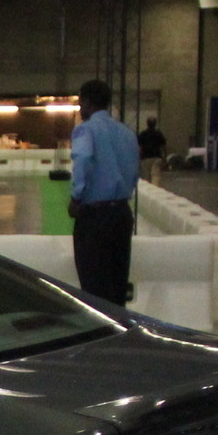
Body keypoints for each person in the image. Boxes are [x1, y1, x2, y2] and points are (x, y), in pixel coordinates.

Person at [68, 77, 141, 304]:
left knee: (94, 287)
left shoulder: (85, 131)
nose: (80, 109)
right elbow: (135, 170)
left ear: (88, 102)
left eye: (81, 104)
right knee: (117, 284)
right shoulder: (127, 133)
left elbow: (83, 161)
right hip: (121, 214)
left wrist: (76, 197)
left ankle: (101, 334)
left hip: (95, 217)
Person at [137, 115, 166, 185]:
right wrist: (164, 157)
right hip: (156, 157)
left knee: (146, 177)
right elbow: (163, 146)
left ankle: (148, 191)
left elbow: (139, 147)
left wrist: (138, 157)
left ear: (147, 124)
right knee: (156, 175)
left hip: (145, 157)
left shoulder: (143, 134)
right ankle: (155, 190)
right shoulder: (159, 134)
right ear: (155, 124)